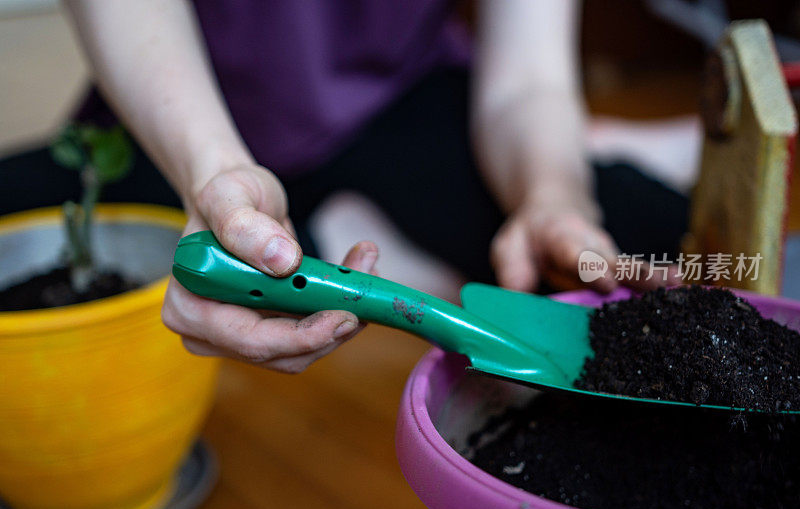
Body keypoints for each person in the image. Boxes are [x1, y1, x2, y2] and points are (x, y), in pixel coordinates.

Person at [24, 0, 685, 371]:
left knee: (652, 241)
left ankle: (583, 148)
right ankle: (354, 235)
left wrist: (553, 196)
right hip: (188, 112)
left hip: (392, 98)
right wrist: (209, 172)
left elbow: (528, 82)